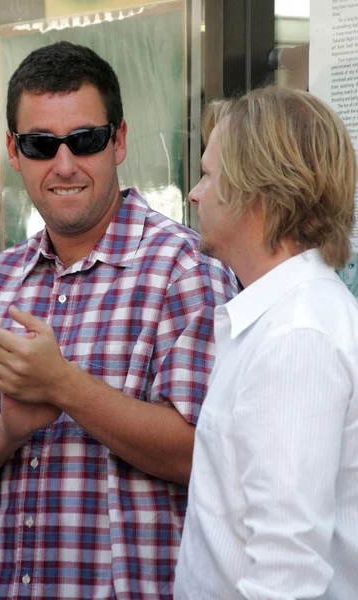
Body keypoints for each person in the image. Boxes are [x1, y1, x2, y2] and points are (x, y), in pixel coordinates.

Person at [0, 41, 235, 600]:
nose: (64, 165)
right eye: (41, 145)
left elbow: (209, 457)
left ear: (120, 141)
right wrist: (9, 429)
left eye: (85, 141)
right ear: (14, 150)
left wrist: (63, 386)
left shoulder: (186, 269)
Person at [174, 86, 358, 599]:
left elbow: (287, 574)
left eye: (209, 175)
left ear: (255, 192)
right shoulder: (285, 318)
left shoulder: (296, 335)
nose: (194, 193)